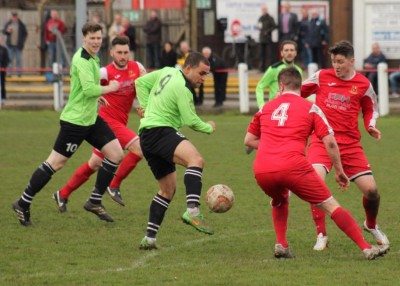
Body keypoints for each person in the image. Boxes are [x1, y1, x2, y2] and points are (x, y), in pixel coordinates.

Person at [244, 67, 389, 260]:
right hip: (292, 166)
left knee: (279, 200)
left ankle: (282, 244)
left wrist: (272, 146)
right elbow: (329, 141)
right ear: (300, 85)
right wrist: (338, 170)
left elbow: (248, 140)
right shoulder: (311, 108)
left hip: (262, 169)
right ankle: (366, 247)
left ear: (280, 86)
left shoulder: (266, 108)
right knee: (331, 205)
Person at [11, 22, 123, 226]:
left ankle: (94, 200)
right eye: (92, 38)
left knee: (116, 153)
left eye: (99, 38)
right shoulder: (81, 59)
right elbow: (89, 89)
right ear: (84, 39)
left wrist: (97, 97)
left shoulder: (94, 57)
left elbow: (85, 88)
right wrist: (110, 88)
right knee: (56, 163)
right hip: (75, 122)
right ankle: (23, 202)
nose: (96, 41)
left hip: (91, 118)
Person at [301, 40, 389, 251]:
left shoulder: (363, 84)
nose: (336, 66)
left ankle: (371, 224)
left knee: (372, 191)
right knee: (315, 181)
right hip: (321, 141)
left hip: (349, 145)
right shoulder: (322, 76)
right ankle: (321, 233)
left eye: (340, 62)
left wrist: (370, 126)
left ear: (352, 61)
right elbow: (297, 93)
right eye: (333, 61)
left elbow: (370, 109)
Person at [53, 35, 146, 216]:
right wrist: (97, 96)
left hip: (117, 123)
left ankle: (62, 194)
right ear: (111, 53)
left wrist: (142, 105)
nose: (123, 56)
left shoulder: (138, 68)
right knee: (139, 148)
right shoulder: (104, 72)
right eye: (119, 52)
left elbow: (142, 89)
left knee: (95, 164)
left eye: (126, 52)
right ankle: (114, 185)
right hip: (107, 121)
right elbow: (86, 87)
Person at [135, 52, 216, 249]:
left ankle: (150, 238)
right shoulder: (183, 88)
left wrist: (145, 107)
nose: (204, 79)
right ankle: (192, 210)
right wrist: (209, 127)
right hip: (161, 131)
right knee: (196, 160)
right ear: (187, 68)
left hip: (146, 135)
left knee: (167, 190)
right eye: (201, 73)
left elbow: (140, 83)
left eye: (207, 75)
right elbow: (191, 120)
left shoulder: (166, 71)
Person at [255, 40, 302, 108]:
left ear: (295, 53)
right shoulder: (274, 69)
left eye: (292, 50)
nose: (289, 53)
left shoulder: (298, 70)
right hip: (275, 108)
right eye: (286, 50)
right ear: (281, 53)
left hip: (293, 108)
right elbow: (260, 87)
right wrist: (261, 106)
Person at [2, 11, 28, 76]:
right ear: (11, 17)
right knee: (9, 60)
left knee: (18, 60)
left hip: (18, 46)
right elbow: (4, 31)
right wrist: (7, 31)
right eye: (13, 16)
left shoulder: (21, 24)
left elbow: (25, 34)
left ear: (17, 16)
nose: (14, 17)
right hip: (10, 45)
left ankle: (19, 73)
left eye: (15, 16)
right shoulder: (8, 23)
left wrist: (22, 41)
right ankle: (9, 73)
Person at [257, 4, 277, 71]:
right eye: (263, 10)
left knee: (269, 54)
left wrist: (268, 31)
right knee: (261, 54)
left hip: (268, 39)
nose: (264, 11)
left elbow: (274, 26)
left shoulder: (270, 18)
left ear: (267, 10)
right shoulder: (260, 18)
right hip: (261, 38)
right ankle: (262, 68)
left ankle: (270, 68)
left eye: (265, 9)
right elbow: (258, 26)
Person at [0, 35, 10, 101]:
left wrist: (4, 67)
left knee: (2, 84)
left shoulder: (4, 49)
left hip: (2, 70)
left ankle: (3, 97)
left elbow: (7, 59)